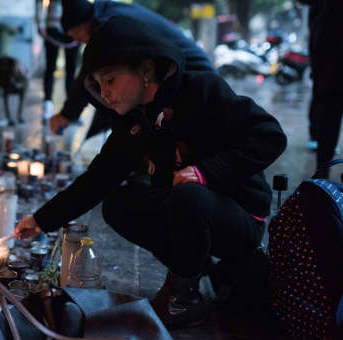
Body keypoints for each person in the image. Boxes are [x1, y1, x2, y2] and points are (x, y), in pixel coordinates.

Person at [15, 16, 287, 328]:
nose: (104, 93)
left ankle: (185, 296)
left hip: (239, 216)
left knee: (189, 197)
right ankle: (194, 271)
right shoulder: (135, 120)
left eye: (111, 80)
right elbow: (97, 179)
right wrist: (41, 220)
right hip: (190, 210)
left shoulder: (200, 89)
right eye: (98, 84)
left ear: (145, 71)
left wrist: (206, 171)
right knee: (118, 204)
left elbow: (270, 135)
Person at [49, 0, 214, 139]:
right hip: (188, 69)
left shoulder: (108, 25)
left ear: (83, 22)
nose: (82, 42)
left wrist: (67, 115)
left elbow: (87, 71)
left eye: (78, 36)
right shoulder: (109, 10)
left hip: (193, 72)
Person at [298, 0, 343, 176]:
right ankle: (321, 172)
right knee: (328, 114)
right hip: (330, 65)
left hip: (329, 65)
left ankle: (321, 172)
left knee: (328, 114)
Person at [35, 0, 80, 120]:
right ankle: (48, 105)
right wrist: (40, 23)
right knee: (50, 67)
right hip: (53, 26)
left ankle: (72, 109)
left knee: (71, 70)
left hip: (74, 25)